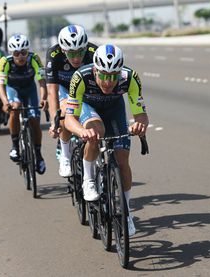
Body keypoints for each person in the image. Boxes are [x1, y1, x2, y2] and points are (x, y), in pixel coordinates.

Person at [64, 44, 149, 236]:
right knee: (96, 131)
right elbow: (69, 119)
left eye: (113, 76)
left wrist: (140, 125)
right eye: (103, 75)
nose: (108, 82)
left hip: (114, 110)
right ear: (95, 70)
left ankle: (126, 213)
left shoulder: (130, 78)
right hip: (88, 107)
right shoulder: (81, 77)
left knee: (122, 159)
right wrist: (81, 132)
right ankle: (88, 179)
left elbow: (141, 114)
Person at [46, 24, 97, 178]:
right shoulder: (53, 54)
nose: (76, 58)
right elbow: (52, 92)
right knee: (66, 111)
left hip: (84, 88)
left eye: (80, 52)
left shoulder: (93, 52)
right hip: (63, 88)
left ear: (86, 47)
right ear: (63, 49)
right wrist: (55, 122)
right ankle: (65, 156)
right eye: (71, 53)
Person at [0, 34, 48, 174]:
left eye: (23, 53)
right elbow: (1, 86)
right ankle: (15, 146)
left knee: (34, 119)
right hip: (12, 89)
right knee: (16, 106)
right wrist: (5, 102)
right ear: (11, 54)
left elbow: (42, 82)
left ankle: (38, 155)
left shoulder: (34, 58)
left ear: (28, 51)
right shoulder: (4, 62)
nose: (20, 57)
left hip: (29, 89)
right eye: (16, 53)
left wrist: (44, 98)